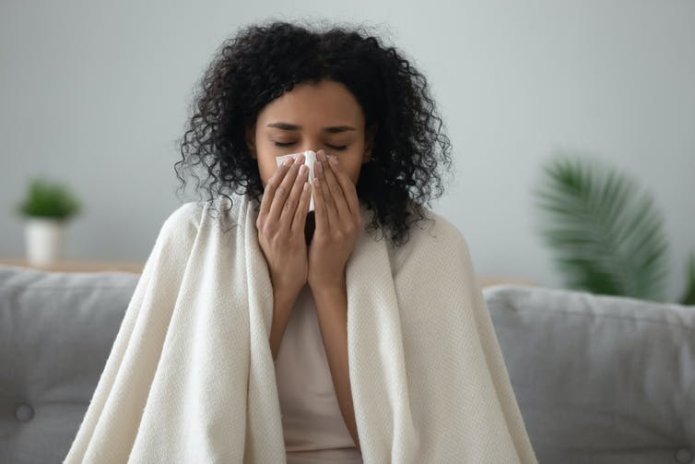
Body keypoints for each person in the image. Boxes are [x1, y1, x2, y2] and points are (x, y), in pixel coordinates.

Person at [65, 19, 538, 464]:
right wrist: (283, 284)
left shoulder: (429, 246)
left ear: (369, 145)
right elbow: (205, 429)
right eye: (284, 142)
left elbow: (402, 445)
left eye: (336, 146)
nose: (310, 163)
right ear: (252, 139)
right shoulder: (194, 237)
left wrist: (329, 284)